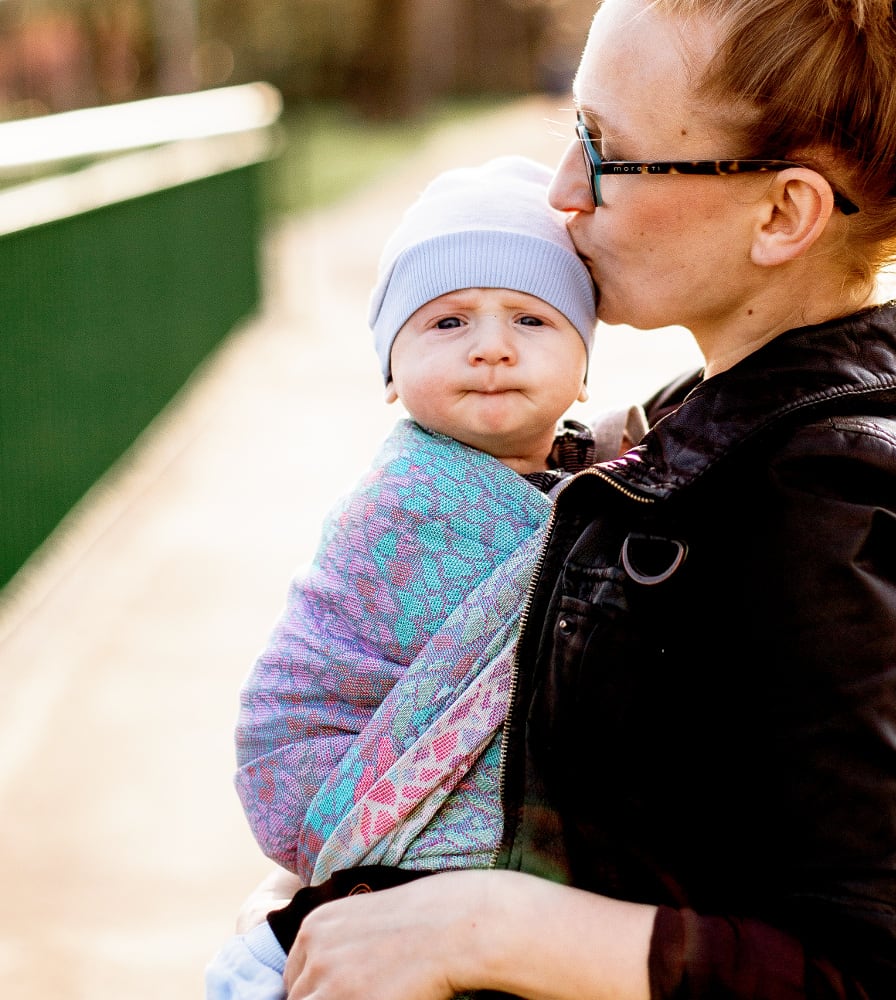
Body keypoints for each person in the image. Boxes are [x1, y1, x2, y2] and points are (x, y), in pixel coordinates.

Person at [270, 1, 896, 998]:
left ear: (782, 214)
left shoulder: (832, 514)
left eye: (606, 150)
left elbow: (881, 972)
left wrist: (481, 927)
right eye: (576, 131)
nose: (564, 188)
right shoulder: (703, 425)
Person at [206, 155, 646, 998]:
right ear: (389, 373)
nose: (490, 348)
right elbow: (307, 693)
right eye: (446, 323)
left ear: (583, 365)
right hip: (370, 819)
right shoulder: (410, 502)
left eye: (531, 319)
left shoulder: (582, 470)